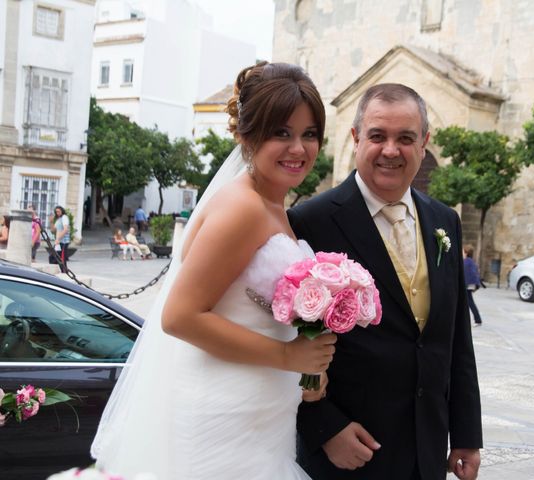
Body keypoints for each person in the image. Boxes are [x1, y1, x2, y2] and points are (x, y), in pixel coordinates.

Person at [91, 62, 336, 480]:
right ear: (246, 135)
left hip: (260, 420)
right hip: (223, 418)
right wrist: (288, 356)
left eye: (309, 134)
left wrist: (307, 363)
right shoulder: (242, 207)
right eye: (282, 133)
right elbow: (180, 316)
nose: (299, 148)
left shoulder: (272, 206)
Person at [289, 83, 482, 480]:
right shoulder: (311, 222)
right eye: (378, 136)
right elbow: (291, 339)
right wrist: (322, 426)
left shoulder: (445, 221)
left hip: (427, 450)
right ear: (357, 138)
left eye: (406, 138)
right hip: (349, 452)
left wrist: (465, 432)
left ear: (424, 143)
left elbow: (455, 337)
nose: (391, 150)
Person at [463, 245, 483, 326]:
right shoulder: (470, 261)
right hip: (470, 285)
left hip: (468, 285)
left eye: (463, 251)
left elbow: (469, 275)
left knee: (470, 302)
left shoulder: (467, 262)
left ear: (466, 253)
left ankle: (478, 320)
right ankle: (476, 320)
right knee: (468, 302)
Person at [50, 206, 70, 273]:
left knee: (62, 259)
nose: (57, 213)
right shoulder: (58, 220)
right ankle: (58, 271)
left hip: (63, 242)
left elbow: (65, 229)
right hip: (58, 242)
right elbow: (53, 231)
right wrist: (51, 222)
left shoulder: (64, 218)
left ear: (62, 211)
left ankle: (64, 272)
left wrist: (58, 239)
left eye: (58, 211)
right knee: (53, 257)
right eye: (56, 212)